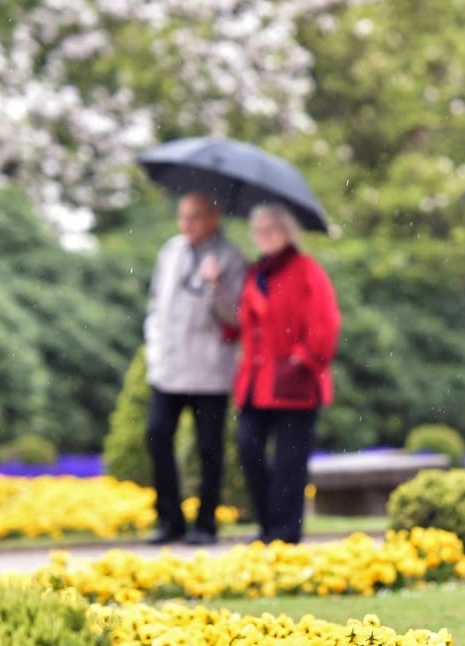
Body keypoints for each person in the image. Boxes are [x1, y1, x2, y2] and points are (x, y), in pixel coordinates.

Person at [144, 192, 248, 545]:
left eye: (194, 217)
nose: (185, 224)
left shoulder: (231, 257)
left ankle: (206, 524)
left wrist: (217, 286)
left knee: (208, 449)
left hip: (209, 372)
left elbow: (237, 317)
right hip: (168, 368)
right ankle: (170, 520)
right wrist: (154, 350)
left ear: (213, 218)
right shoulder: (170, 251)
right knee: (157, 435)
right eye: (182, 217)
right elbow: (157, 304)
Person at [234, 202, 341, 544]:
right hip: (256, 380)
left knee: (289, 461)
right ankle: (269, 524)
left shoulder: (306, 269)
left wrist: (304, 358)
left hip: (294, 381)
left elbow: (326, 322)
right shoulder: (256, 273)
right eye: (258, 230)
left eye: (271, 229)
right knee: (247, 445)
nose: (263, 236)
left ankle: (284, 531)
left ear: (287, 232)